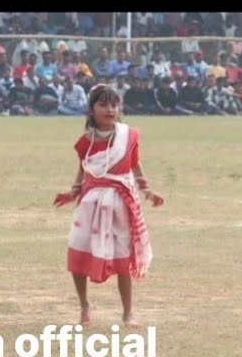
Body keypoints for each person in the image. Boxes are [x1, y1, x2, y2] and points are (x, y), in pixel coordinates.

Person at [54, 84, 164, 328]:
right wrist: (72, 193)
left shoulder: (128, 137)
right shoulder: (86, 141)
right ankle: (84, 306)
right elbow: (83, 170)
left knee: (122, 257)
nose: (109, 109)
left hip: (120, 205)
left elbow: (135, 166)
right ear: (91, 110)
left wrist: (148, 191)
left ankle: (127, 313)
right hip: (90, 205)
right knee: (79, 251)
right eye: (103, 104)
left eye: (114, 105)